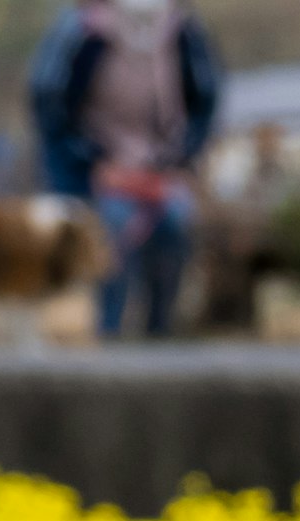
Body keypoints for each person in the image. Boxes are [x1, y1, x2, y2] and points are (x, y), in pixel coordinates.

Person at [29, 0, 221, 338]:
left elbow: (205, 99)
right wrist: (90, 162)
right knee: (112, 235)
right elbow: (50, 104)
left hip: (161, 169)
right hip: (102, 171)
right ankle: (110, 335)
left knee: (175, 229)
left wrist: (180, 157)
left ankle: (161, 333)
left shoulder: (182, 31)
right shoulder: (82, 31)